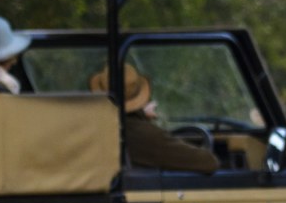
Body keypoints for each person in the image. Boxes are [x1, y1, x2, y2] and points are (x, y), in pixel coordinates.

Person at [89, 63, 219, 174]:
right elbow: (209, 162)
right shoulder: (147, 135)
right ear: (139, 98)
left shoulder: (90, 128)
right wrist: (143, 120)